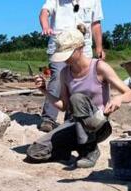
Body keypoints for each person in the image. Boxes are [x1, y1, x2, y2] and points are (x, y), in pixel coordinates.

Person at [26, 27, 131, 168]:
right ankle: (73, 149)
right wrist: (44, 91)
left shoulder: (99, 67)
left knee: (77, 98)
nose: (64, 59)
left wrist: (118, 99)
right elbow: (64, 106)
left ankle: (90, 150)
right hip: (74, 125)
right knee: (35, 151)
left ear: (80, 48)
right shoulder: (65, 73)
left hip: (99, 125)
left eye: (67, 54)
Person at [39, 0, 105, 132]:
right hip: (60, 47)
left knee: (78, 83)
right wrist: (45, 26)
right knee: (57, 78)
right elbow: (44, 12)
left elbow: (96, 24)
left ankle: (72, 119)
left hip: (82, 49)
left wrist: (99, 47)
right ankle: (49, 118)